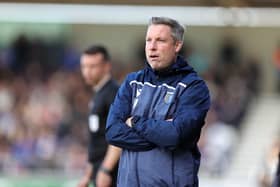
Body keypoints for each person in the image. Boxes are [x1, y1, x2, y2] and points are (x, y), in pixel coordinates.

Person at [106, 17, 210, 187]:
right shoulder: (132, 82)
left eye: (160, 40)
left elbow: (175, 135)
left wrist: (134, 121)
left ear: (177, 45)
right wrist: (160, 134)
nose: (152, 47)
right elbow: (112, 132)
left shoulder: (193, 87)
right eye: (148, 40)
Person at [77, 45, 121, 187]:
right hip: (99, 170)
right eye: (84, 66)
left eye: (92, 66)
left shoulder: (113, 93)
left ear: (107, 66)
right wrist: (88, 175)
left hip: (111, 173)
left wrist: (106, 170)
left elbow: (119, 135)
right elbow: (96, 141)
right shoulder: (99, 94)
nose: (87, 72)